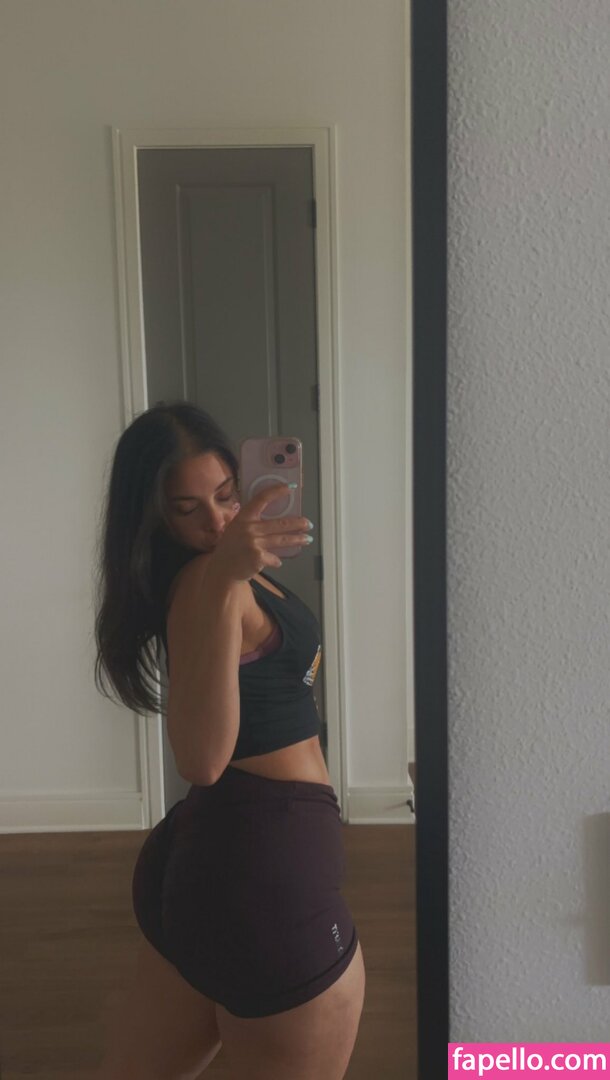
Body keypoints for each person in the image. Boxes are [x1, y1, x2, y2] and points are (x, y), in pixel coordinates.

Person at [93, 401, 366, 1079]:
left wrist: (231, 571)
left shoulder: (226, 569)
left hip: (217, 862)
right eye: (187, 509)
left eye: (224, 494)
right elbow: (203, 758)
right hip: (261, 882)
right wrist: (223, 578)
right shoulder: (206, 582)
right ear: (154, 518)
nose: (216, 521)